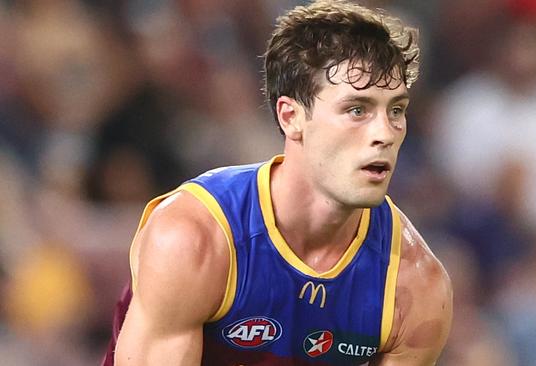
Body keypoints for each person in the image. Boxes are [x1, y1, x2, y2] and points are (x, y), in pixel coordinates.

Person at [104, 1, 452, 365]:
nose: (385, 133)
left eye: (396, 110)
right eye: (357, 110)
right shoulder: (194, 237)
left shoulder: (414, 286)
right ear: (291, 117)